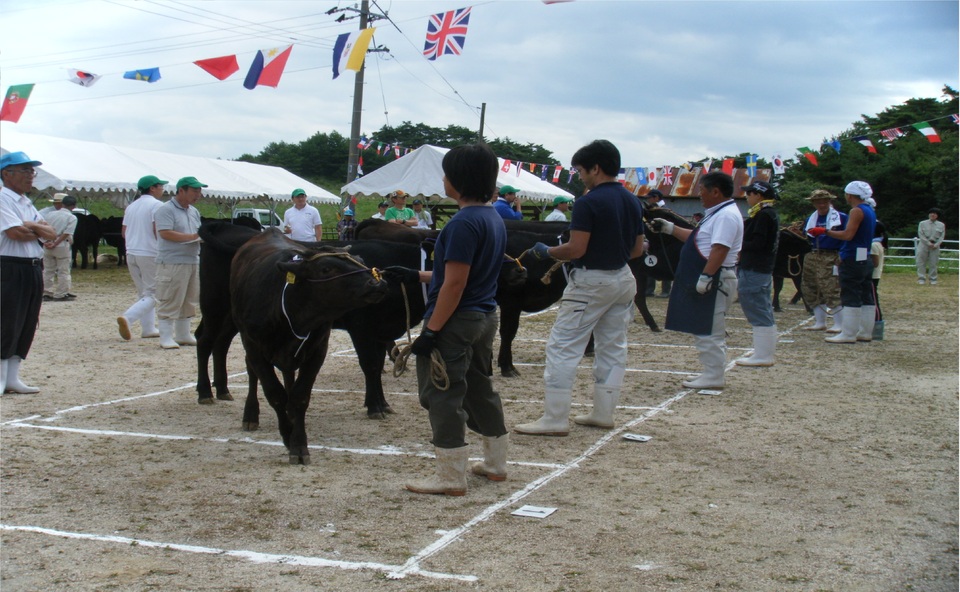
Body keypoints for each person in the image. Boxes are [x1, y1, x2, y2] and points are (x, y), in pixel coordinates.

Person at [514, 139, 645, 436]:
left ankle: (555, 418)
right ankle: (603, 413)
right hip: (623, 278)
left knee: (563, 347)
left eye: (581, 170)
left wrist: (546, 251)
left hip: (590, 281)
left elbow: (575, 249)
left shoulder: (588, 202)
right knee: (612, 346)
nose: (580, 176)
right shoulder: (632, 200)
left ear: (595, 168)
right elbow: (637, 250)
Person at [401, 143, 509, 496]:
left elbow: (456, 283)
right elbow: (463, 275)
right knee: (479, 388)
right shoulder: (493, 217)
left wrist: (431, 331)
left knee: (442, 393)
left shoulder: (461, 223)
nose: (443, 179)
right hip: (484, 316)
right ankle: (495, 463)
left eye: (446, 174)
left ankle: (450, 477)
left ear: (457, 182)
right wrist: (415, 276)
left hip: (455, 320)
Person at [650, 171, 743, 390]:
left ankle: (714, 375)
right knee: (703, 327)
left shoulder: (726, 215)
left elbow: (720, 248)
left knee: (708, 328)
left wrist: (707, 276)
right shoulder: (717, 213)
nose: (699, 194)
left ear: (716, 191)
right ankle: (711, 372)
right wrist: (670, 228)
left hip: (717, 278)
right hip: (713, 276)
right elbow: (697, 238)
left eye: (702, 190)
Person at [0, 151, 58, 394]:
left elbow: (52, 232)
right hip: (9, 265)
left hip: (32, 266)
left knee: (27, 321)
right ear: (6, 173)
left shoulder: (26, 202)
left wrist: (30, 225)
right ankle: (1, 376)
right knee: (7, 320)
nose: (30, 176)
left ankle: (13, 376)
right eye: (25, 171)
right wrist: (37, 229)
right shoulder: (3, 198)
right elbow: (15, 233)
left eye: (31, 171)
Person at [808, 181, 877, 344]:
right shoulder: (869, 210)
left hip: (852, 257)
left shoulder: (856, 211)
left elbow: (847, 235)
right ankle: (865, 332)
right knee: (867, 295)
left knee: (850, 294)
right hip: (864, 256)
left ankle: (848, 333)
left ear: (849, 195)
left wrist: (825, 231)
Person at [154, 176, 205, 350]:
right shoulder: (165, 210)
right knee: (171, 297)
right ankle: (166, 336)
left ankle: (183, 334)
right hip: (172, 261)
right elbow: (165, 233)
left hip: (192, 259)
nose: (198, 194)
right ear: (181, 190)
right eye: (194, 191)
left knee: (189, 298)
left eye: (199, 191)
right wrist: (194, 237)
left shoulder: (193, 211)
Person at [734, 181, 779, 367]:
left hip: (755, 267)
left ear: (758, 195)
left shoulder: (763, 215)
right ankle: (763, 352)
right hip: (760, 267)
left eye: (750, 193)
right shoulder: (766, 214)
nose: (747, 196)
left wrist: (738, 245)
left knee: (757, 308)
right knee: (762, 308)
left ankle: (763, 355)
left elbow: (759, 243)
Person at [117, 174, 167, 340]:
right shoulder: (157, 205)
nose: (162, 189)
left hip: (131, 252)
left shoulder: (131, 207)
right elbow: (156, 230)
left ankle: (148, 328)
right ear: (152, 188)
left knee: (144, 293)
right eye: (161, 186)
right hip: (150, 252)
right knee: (155, 294)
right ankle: (129, 317)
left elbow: (124, 232)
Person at [801, 189, 848, 332]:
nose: (821, 205)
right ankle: (820, 321)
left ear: (830, 202)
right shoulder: (811, 219)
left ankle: (839, 323)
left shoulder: (841, 218)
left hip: (831, 254)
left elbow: (847, 236)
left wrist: (842, 255)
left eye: (824, 201)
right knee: (810, 286)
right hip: (814, 253)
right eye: (818, 202)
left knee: (831, 287)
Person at [41, 194, 78, 302]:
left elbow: (43, 228)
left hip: (47, 243)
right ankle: (61, 293)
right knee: (63, 270)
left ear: (62, 204)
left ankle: (46, 292)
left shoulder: (49, 214)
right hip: (61, 245)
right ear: (73, 206)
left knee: (48, 270)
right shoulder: (72, 217)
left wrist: (46, 242)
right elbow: (67, 233)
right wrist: (56, 243)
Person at [643, 190, 672, 297]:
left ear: (656, 198)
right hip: (653, 240)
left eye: (649, 198)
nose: (648, 200)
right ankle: (649, 289)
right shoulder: (652, 209)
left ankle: (665, 290)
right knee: (650, 263)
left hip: (664, 241)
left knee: (665, 265)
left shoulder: (665, 210)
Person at [916, 207, 945, 285]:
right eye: (931, 213)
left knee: (933, 263)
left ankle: (933, 279)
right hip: (923, 245)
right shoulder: (922, 223)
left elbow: (942, 236)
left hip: (935, 245)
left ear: (937, 215)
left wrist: (936, 244)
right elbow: (920, 234)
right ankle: (921, 278)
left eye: (935, 213)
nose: (932, 215)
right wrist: (928, 243)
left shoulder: (941, 225)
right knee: (921, 262)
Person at [870, 220, 887, 339]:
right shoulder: (878, 243)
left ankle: (878, 324)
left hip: (873, 275)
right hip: (875, 275)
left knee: (874, 300)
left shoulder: (873, 245)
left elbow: (874, 263)